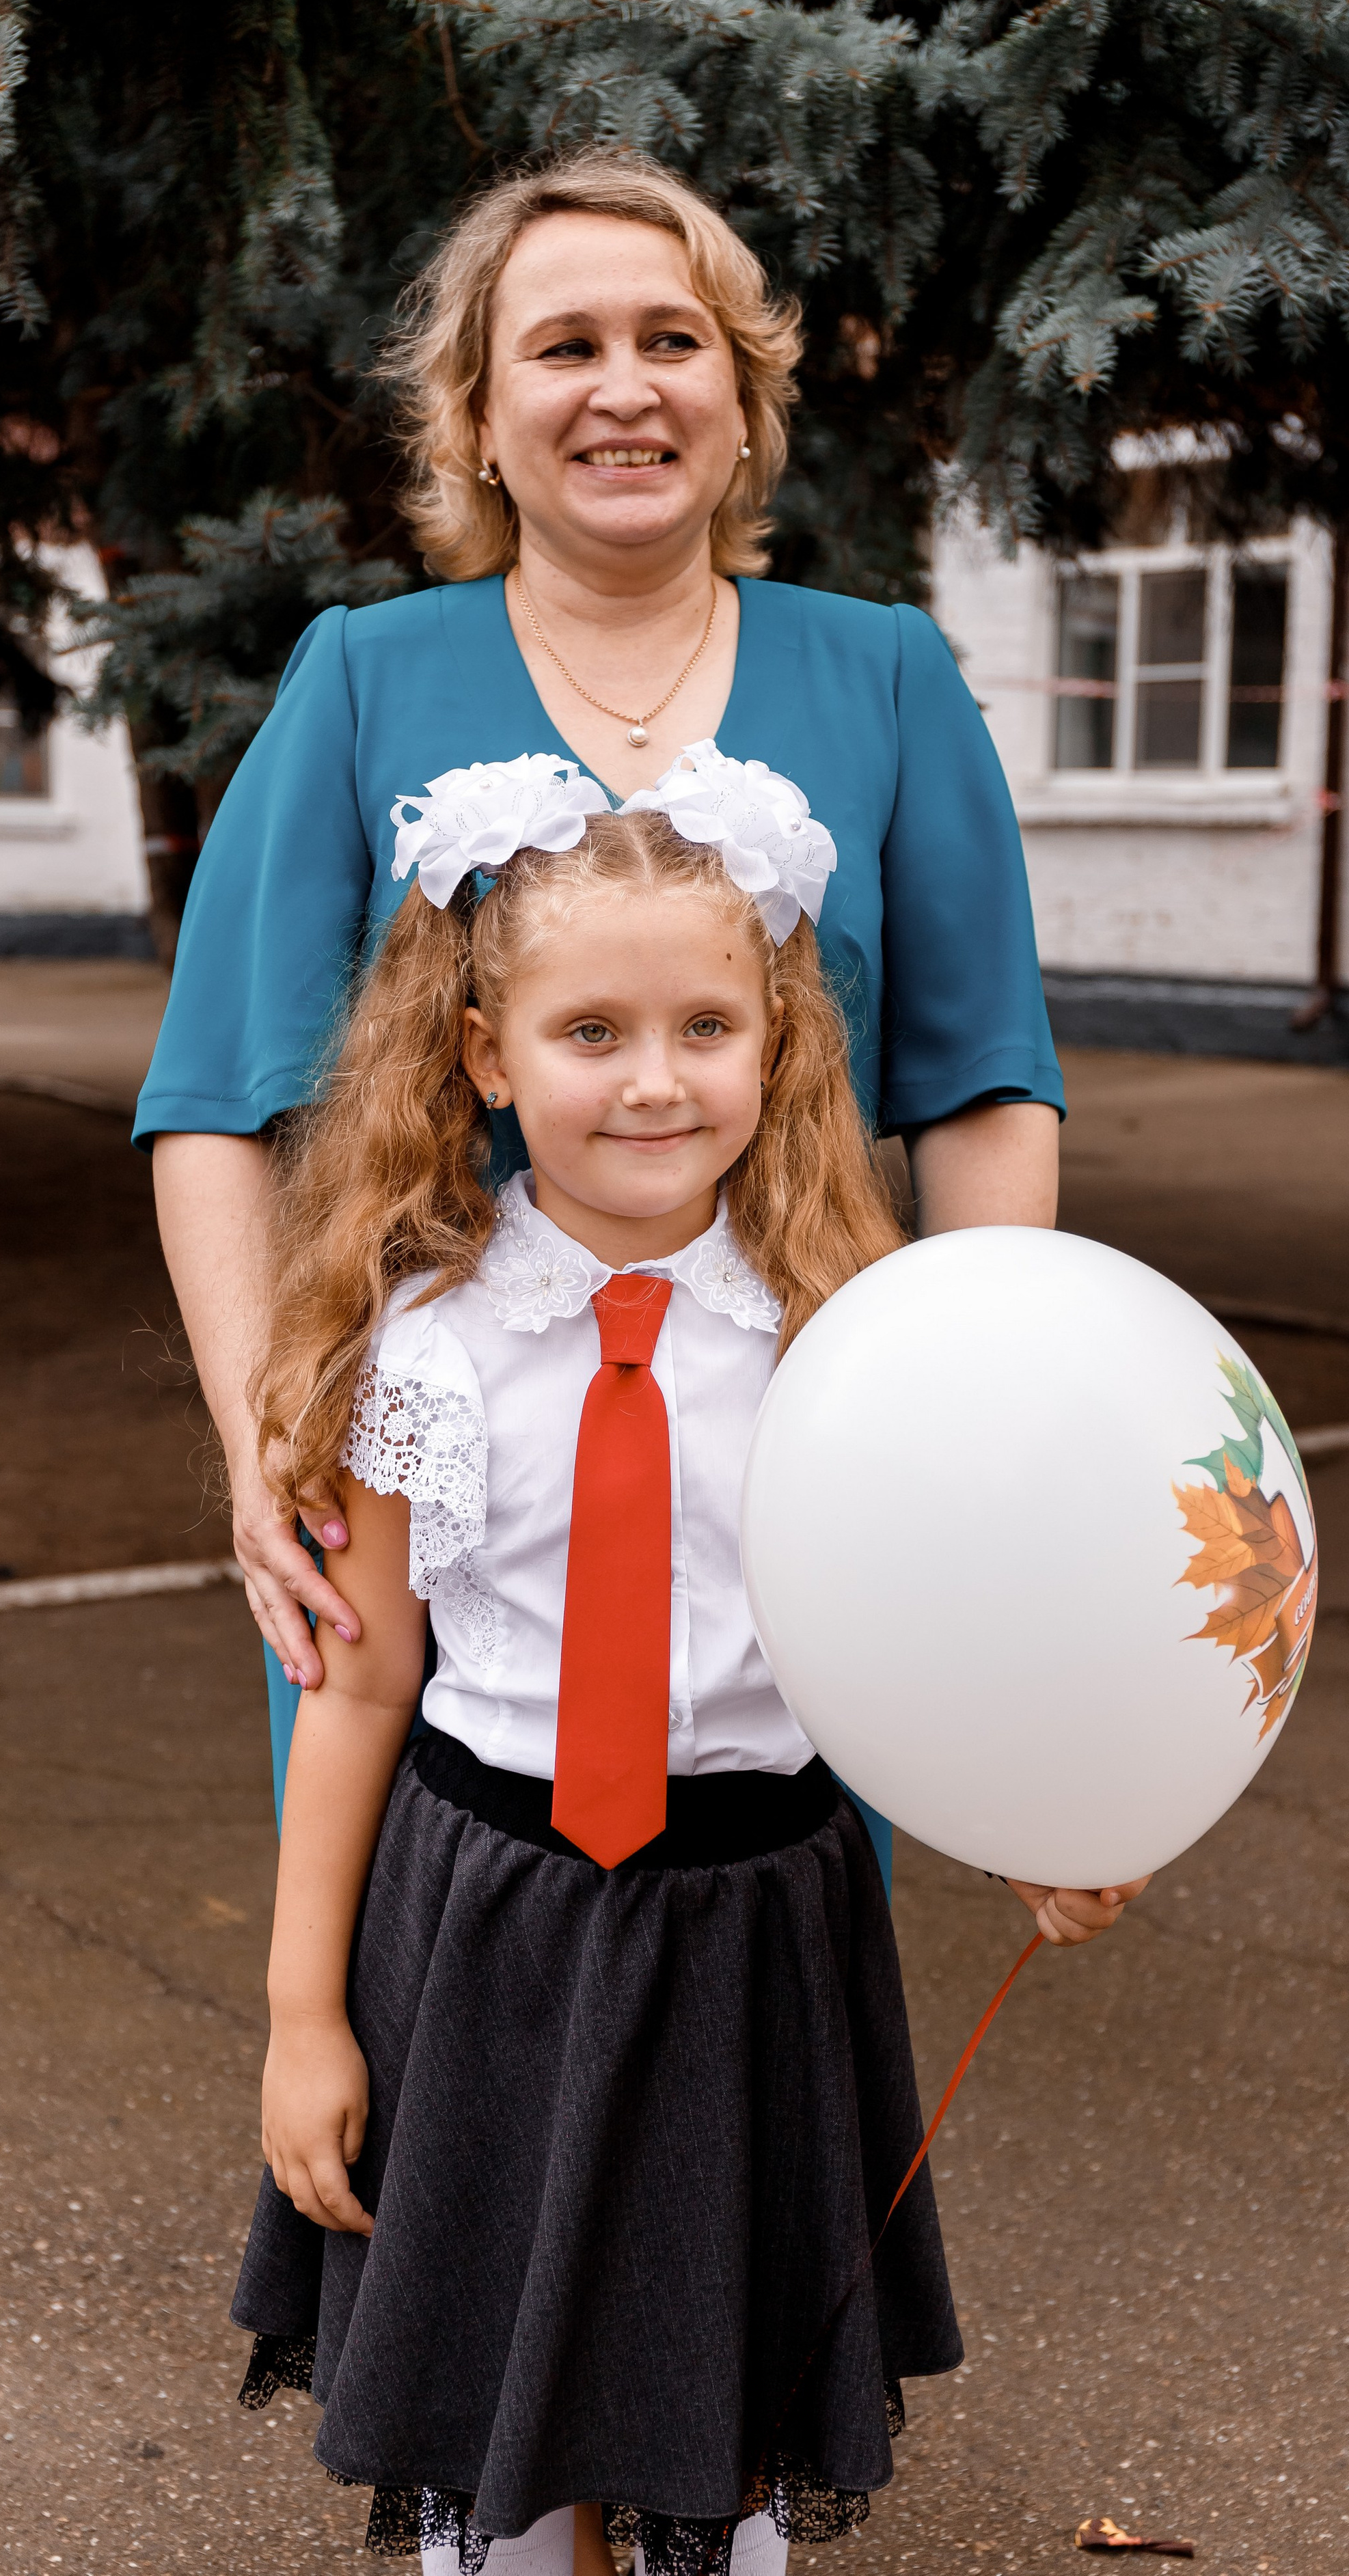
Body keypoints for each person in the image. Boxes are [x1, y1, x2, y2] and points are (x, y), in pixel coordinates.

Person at [230, 766, 1146, 2576]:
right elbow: (356, 1686)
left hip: (756, 1935)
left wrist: (1046, 1819)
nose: (655, 1079)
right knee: (500, 2440)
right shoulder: (422, 1343)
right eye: (594, 1031)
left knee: (712, 2437)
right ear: (489, 1055)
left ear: (775, 1044)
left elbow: (923, 1635)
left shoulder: (853, 1336)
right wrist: (301, 2014)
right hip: (486, 1929)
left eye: (705, 1026)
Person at [135, 149, 1067, 1865]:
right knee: (422, 1997)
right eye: (563, 347)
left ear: (740, 399)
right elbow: (212, 1101)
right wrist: (269, 1438)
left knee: (761, 1982)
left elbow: (985, 1082)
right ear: (477, 418)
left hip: (783, 1460)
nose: (623, 388)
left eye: (673, 340)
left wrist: (956, 1414)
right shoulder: (361, 677)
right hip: (436, 1495)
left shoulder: (883, 675)